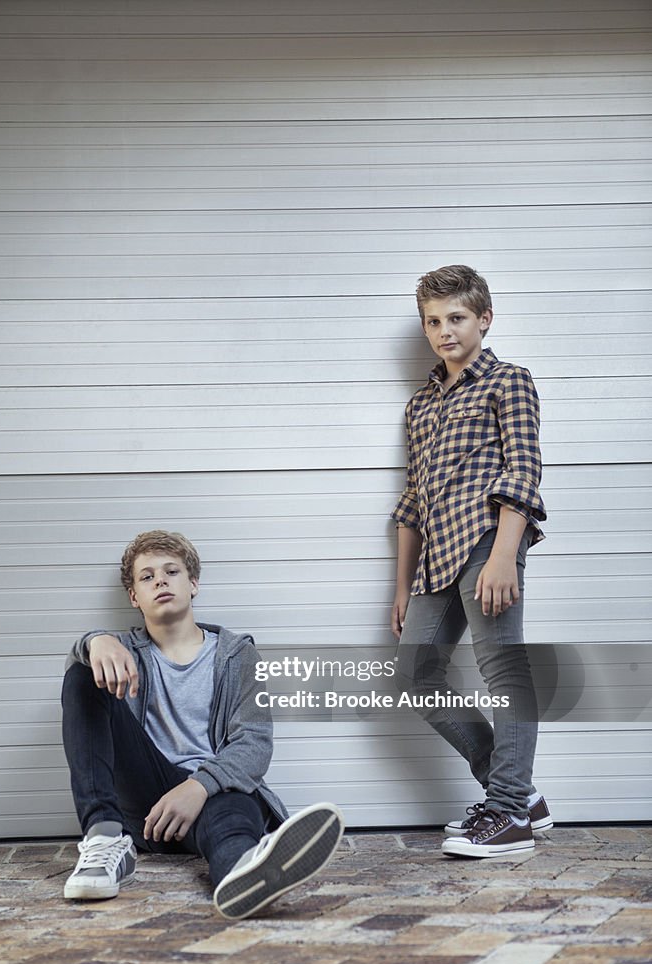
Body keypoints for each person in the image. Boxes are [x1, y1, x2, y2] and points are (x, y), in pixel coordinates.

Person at [61, 529, 344, 917]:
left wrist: (197, 787)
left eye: (171, 571)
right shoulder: (121, 651)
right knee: (82, 674)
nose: (160, 580)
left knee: (233, 820)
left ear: (193, 584)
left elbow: (254, 743)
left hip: (211, 796)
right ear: (134, 597)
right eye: (147, 576)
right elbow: (85, 696)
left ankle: (245, 874)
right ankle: (105, 839)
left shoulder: (236, 655)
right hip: (145, 807)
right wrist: (95, 641)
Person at [391, 265, 552, 858]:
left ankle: (508, 815)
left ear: (484, 319)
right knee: (413, 678)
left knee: (504, 672)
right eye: (433, 321)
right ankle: (519, 795)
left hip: (487, 540)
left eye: (456, 318)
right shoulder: (421, 405)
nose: (444, 331)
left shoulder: (508, 382)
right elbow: (412, 499)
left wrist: (505, 556)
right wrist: (402, 587)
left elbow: (523, 471)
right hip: (436, 555)